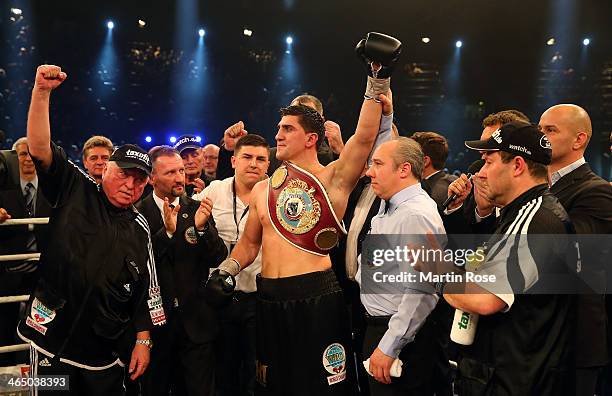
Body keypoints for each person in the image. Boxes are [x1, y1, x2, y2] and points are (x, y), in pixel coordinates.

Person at [204, 32, 401, 395]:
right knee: (271, 385)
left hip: (316, 299)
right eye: (279, 128)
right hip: (267, 299)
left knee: (321, 387)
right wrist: (227, 271)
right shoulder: (264, 188)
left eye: (287, 129)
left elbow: (363, 136)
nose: (277, 135)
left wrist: (379, 76)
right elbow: (248, 245)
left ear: (311, 138)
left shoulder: (332, 180)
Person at [18, 64, 165, 395]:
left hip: (103, 353)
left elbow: (147, 288)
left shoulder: (140, 228)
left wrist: (144, 340)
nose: (130, 184)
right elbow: (39, 149)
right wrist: (41, 93)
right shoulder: (74, 188)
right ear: (106, 169)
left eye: (139, 179)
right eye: (123, 174)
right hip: (49, 338)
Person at [442, 121, 576, 395]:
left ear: (517, 166)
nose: (480, 173)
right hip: (512, 374)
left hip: (519, 380)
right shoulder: (521, 213)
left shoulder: (535, 219)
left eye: (488, 162)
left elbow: (483, 298)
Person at [136, 145, 227, 396]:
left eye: (180, 170)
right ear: (152, 178)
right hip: (156, 326)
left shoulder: (198, 208)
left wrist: (201, 229)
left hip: (196, 324)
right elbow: (139, 265)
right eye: (169, 173)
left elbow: (218, 256)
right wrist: (166, 233)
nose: (179, 178)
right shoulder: (137, 214)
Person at [357, 137, 446, 395]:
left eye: (378, 164)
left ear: (404, 169)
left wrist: (389, 345)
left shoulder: (414, 214)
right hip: (382, 328)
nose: (369, 171)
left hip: (401, 337)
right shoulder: (392, 205)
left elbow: (424, 290)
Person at [539, 104, 612, 396]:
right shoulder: (534, 187)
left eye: (550, 130)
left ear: (578, 140)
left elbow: (570, 259)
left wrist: (529, 194)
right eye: (539, 129)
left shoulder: (597, 191)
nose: (541, 136)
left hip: (573, 342)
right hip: (535, 339)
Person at [194, 134, 270, 396]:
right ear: (234, 160)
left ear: (268, 164)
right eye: (247, 157)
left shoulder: (276, 194)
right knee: (222, 371)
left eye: (261, 159)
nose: (254, 164)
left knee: (257, 373)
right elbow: (189, 225)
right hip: (219, 299)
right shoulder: (214, 190)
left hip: (260, 299)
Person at [0, 137, 51, 366]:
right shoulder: (3, 186)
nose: (28, 159)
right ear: (14, 157)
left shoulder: (51, 186)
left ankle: (41, 370)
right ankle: (5, 372)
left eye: (32, 153)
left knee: (42, 324)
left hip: (42, 269)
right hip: (8, 267)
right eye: (22, 154)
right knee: (5, 322)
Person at [410, 131, 457, 209]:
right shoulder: (452, 181)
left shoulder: (432, 194)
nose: (406, 160)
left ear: (425, 161)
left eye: (411, 156)